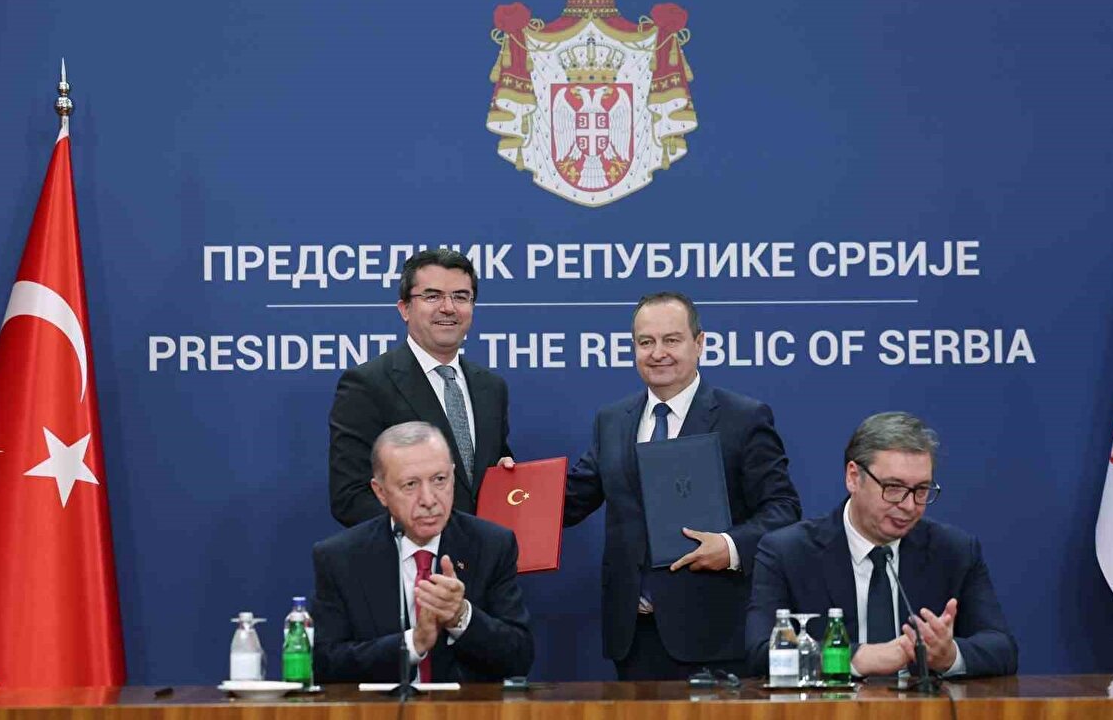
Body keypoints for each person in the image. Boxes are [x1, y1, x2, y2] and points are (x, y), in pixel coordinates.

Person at [505, 291, 801, 680]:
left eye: (671, 340)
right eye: (646, 342)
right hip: (635, 638)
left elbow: (783, 510)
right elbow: (572, 499)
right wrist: (511, 490)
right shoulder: (613, 421)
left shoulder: (742, 418)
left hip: (714, 636)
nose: (658, 352)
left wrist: (728, 547)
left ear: (700, 344)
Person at [746, 412, 1018, 678]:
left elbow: (1002, 648)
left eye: (921, 490)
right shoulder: (788, 552)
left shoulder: (954, 551)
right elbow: (761, 653)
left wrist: (950, 655)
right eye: (894, 488)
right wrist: (859, 657)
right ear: (853, 477)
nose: (909, 506)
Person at [312, 421, 534, 683]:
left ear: (453, 476)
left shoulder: (491, 545)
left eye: (439, 480)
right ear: (380, 492)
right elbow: (326, 664)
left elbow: (519, 657)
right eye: (410, 485)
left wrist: (460, 616)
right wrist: (414, 643)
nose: (429, 500)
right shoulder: (341, 558)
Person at [329, 249, 512, 526]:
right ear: (404, 309)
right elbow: (350, 497)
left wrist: (506, 479)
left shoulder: (491, 387)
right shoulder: (367, 385)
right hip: (412, 563)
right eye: (432, 296)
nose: (448, 307)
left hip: (483, 562)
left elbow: (480, 478)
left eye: (461, 296)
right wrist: (431, 532)